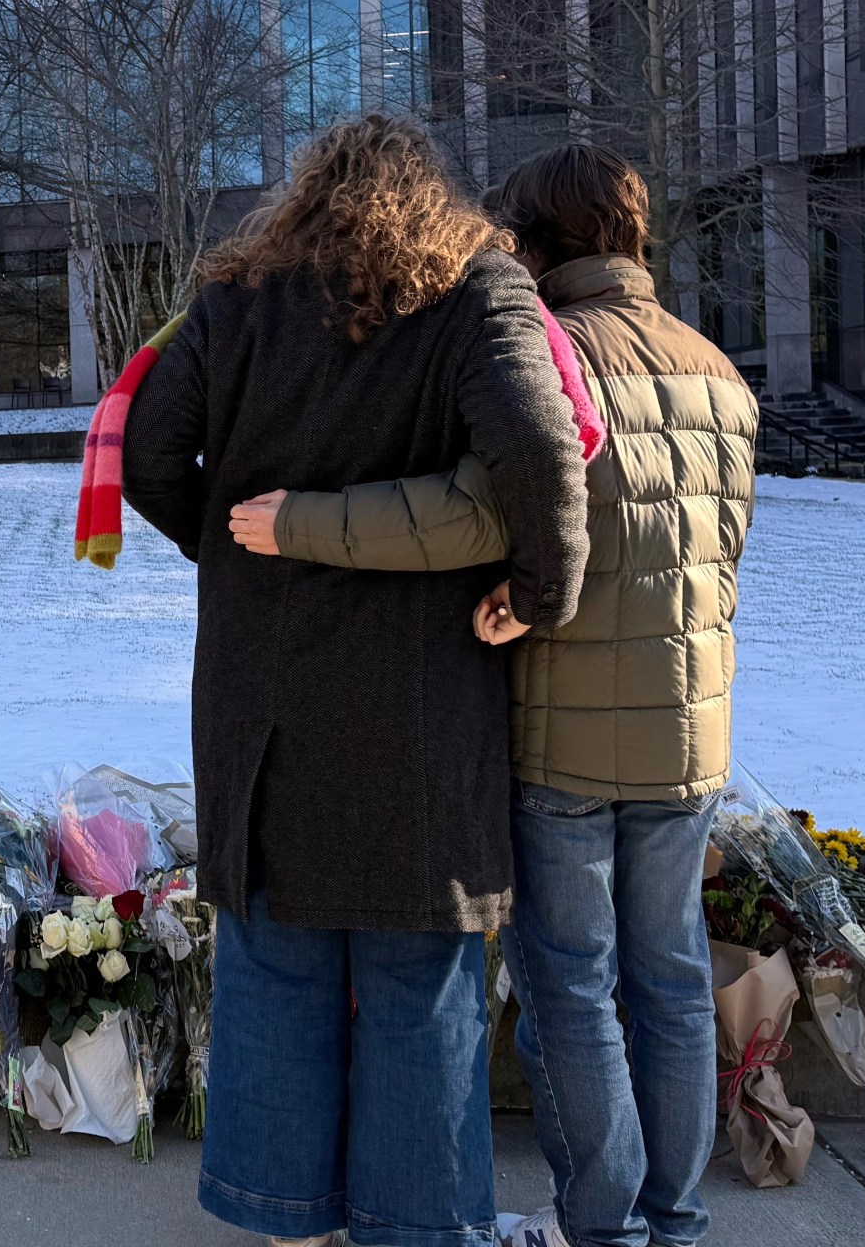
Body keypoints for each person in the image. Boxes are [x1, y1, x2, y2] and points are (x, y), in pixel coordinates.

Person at [227, 143, 758, 1247]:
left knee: (572, 989)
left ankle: (597, 1224)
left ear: (532, 237)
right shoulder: (718, 367)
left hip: (561, 736)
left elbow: (476, 512)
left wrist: (298, 524)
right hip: (691, 737)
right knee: (666, 982)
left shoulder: (543, 351)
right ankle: (676, 1214)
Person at [124, 114, 591, 1247]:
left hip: (263, 700)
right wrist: (539, 590)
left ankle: (286, 1220)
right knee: (415, 977)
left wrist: (229, 551)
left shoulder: (236, 297)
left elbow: (145, 455)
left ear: (304, 193)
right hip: (418, 694)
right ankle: (416, 1225)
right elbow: (540, 451)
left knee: (274, 966)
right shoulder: (479, 289)